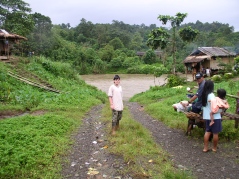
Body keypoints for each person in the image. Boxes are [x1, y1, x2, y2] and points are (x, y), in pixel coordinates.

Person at [202, 80, 223, 153]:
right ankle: (214, 148)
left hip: (207, 116)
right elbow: (215, 107)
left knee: (207, 131)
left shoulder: (204, 94)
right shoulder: (211, 95)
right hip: (215, 117)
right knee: (215, 133)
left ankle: (205, 148)